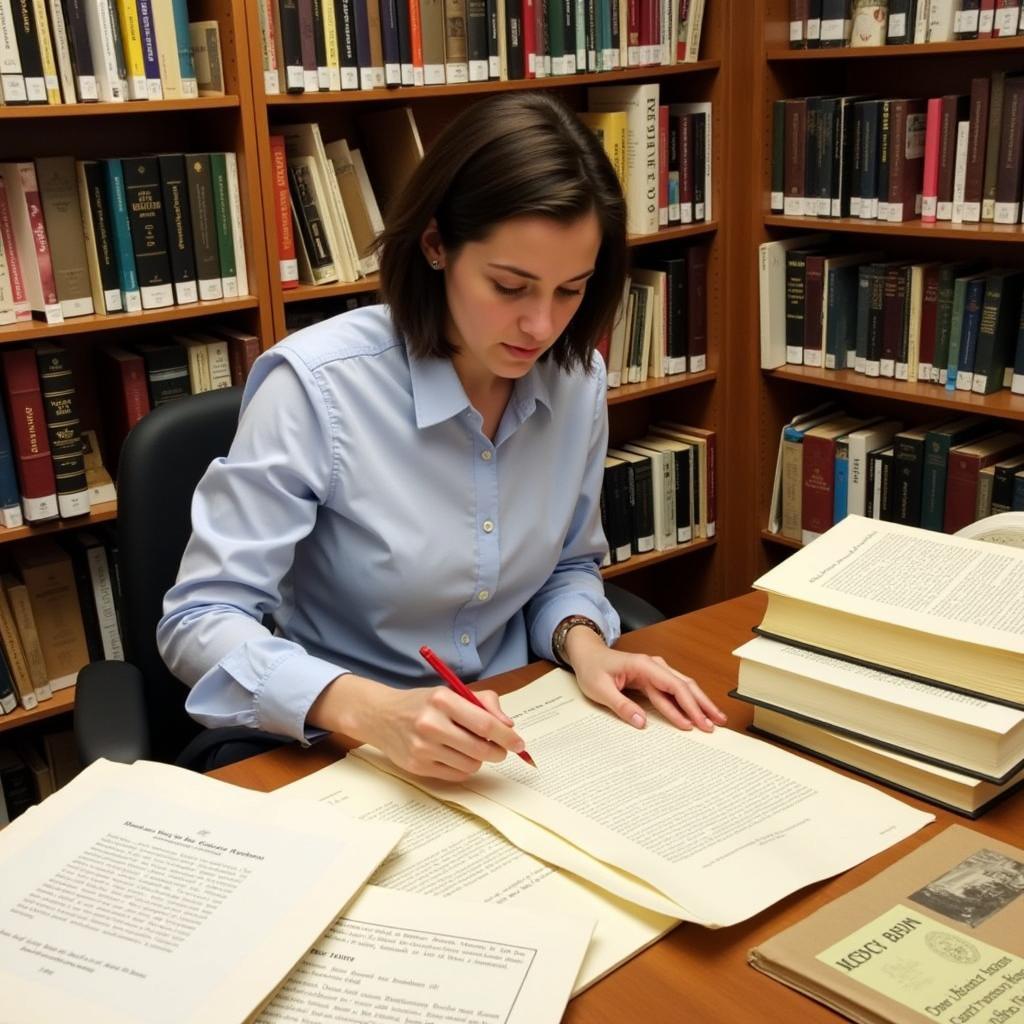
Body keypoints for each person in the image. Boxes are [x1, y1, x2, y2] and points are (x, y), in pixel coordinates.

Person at [157, 92, 726, 782]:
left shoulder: (575, 379)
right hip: (344, 747)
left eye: (570, 290)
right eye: (510, 286)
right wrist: (370, 711)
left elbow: (567, 565)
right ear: (436, 246)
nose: (541, 328)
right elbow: (200, 616)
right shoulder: (316, 388)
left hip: (518, 730)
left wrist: (585, 645)